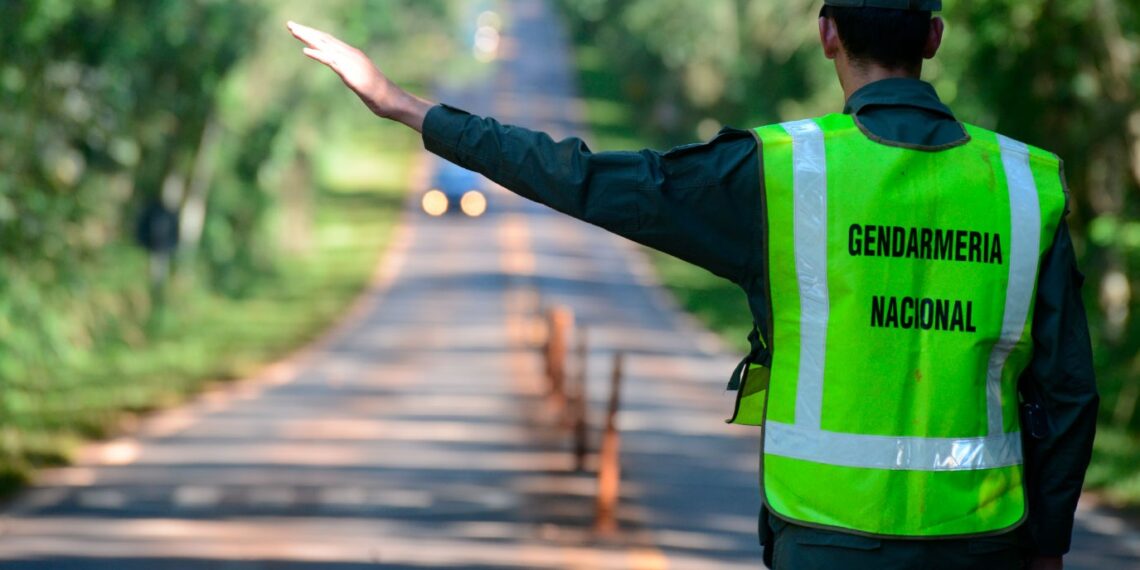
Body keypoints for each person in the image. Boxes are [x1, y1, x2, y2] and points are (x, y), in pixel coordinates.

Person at [288, 1, 1098, 568]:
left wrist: (408, 109)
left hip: (825, 542)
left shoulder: (782, 174)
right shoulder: (1023, 186)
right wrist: (1049, 545)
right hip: (985, 544)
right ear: (934, 36)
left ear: (827, 34)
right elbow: (1067, 391)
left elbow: (583, 179)